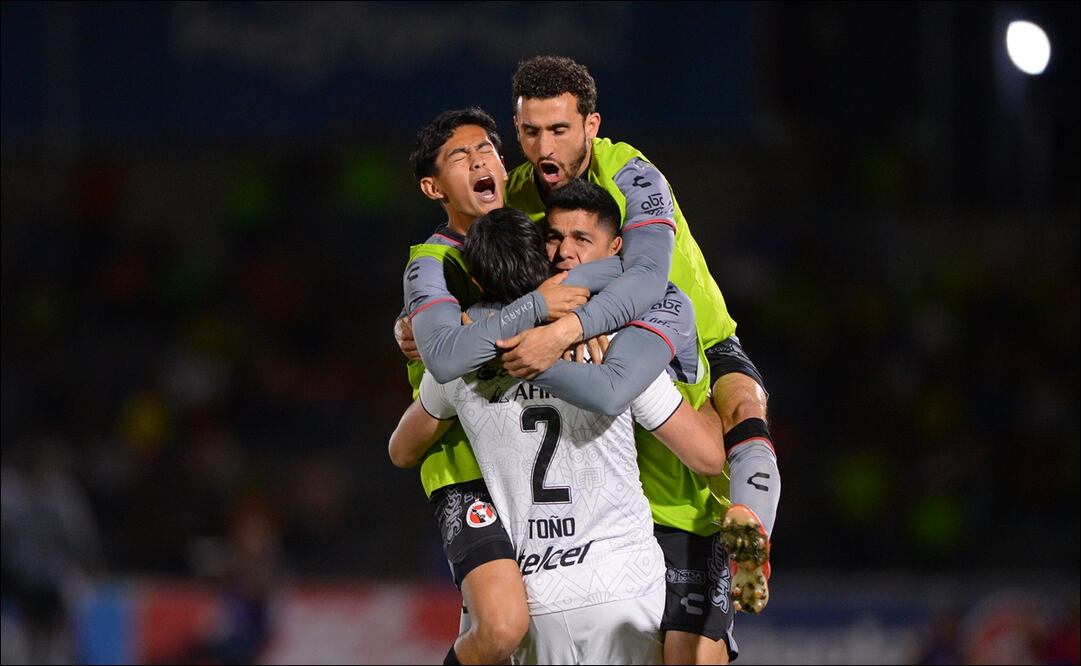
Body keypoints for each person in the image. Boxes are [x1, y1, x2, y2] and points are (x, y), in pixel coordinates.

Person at [501, 55, 781, 664]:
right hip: (613, 367)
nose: (544, 148)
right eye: (530, 131)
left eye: (559, 130)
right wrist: (414, 319)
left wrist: (566, 325)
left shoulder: (632, 172)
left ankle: (750, 525)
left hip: (692, 341)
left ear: (591, 126)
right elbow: (457, 257)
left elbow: (650, 276)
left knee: (741, 412)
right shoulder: (513, 194)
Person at [390, 207, 728, 665]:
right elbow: (707, 457)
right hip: (626, 588)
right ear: (545, 262)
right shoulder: (609, 339)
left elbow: (402, 449)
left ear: (474, 278)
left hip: (539, 603)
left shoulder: (458, 365)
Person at [398, 107, 621, 665]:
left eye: (487, 151)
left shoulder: (531, 227)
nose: (480, 162)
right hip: (464, 461)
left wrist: (581, 316)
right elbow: (446, 357)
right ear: (433, 187)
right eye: (460, 156)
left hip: (538, 456)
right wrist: (540, 306)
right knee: (502, 629)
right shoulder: (431, 264)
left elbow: (621, 266)